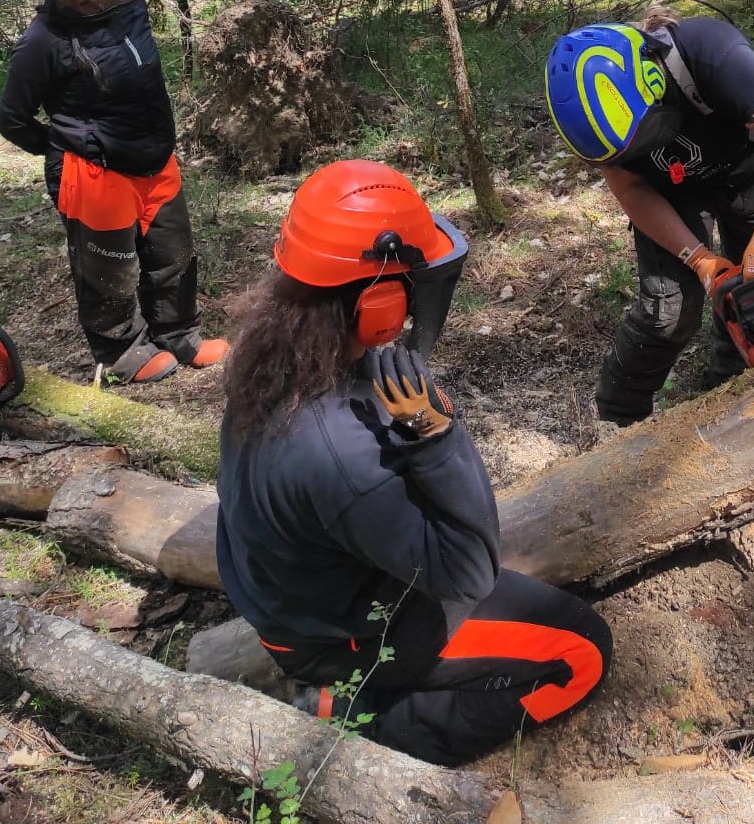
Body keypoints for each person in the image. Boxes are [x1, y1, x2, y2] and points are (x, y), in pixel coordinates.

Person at [215, 159, 612, 767]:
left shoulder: (273, 361)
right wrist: (437, 436)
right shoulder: (342, 453)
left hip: (296, 606)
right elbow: (470, 571)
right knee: (583, 652)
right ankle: (355, 722)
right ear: (376, 300)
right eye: (410, 282)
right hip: (343, 641)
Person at [544, 6, 754, 428]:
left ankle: (733, 392)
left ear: (652, 81)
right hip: (671, 193)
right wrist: (698, 258)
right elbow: (631, 188)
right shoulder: (597, 127)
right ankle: (615, 423)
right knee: (667, 312)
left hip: (750, 172)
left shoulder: (712, 55)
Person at [0, 0, 227, 384]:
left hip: (154, 156)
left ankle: (179, 335)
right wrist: (68, 146)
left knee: (173, 255)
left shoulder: (128, 6)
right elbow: (12, 120)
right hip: (94, 172)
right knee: (108, 270)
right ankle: (122, 352)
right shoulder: (41, 42)